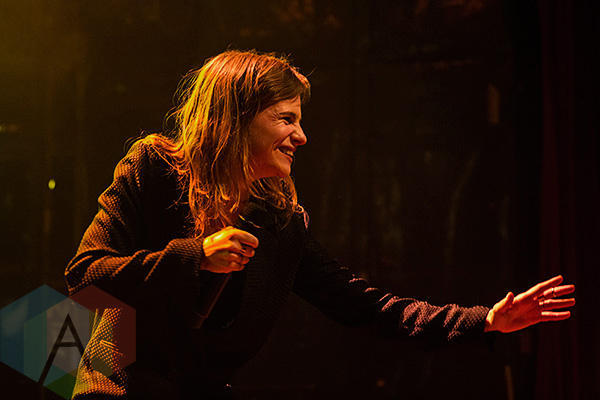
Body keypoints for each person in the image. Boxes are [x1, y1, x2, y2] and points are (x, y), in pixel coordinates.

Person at [65, 49, 575, 399]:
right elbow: (85, 277)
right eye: (286, 118)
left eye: (300, 120)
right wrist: (195, 255)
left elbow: (364, 304)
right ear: (236, 118)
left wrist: (485, 320)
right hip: (112, 378)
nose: (301, 136)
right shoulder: (155, 166)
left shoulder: (279, 224)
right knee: (41, 341)